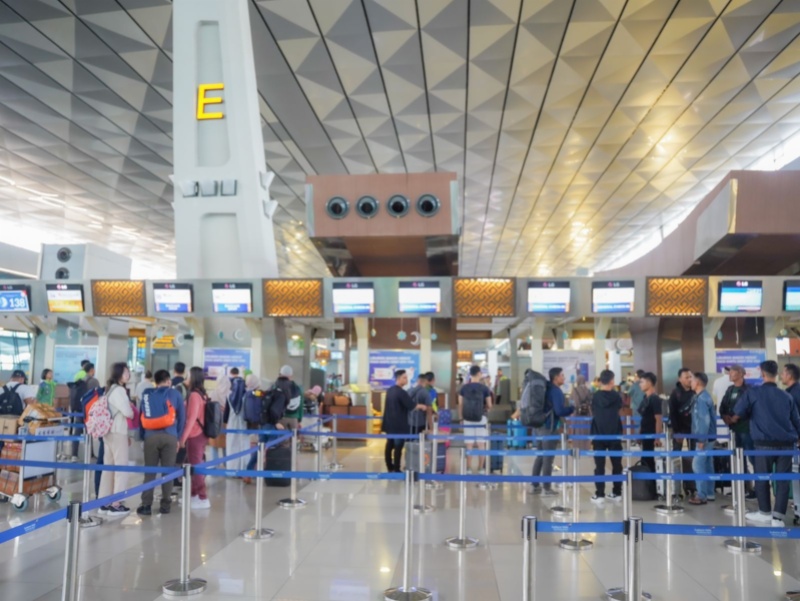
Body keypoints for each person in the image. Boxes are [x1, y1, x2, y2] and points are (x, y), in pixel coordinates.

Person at [733, 360, 800, 526]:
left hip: (763, 444)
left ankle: (764, 512)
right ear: (776, 374)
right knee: (783, 480)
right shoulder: (787, 396)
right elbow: (797, 421)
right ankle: (778, 518)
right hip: (786, 445)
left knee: (762, 477)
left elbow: (738, 412)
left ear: (762, 374)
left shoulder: (753, 393)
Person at [136, 370, 186, 516]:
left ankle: (146, 505)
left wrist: (143, 436)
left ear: (155, 382)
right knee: (168, 471)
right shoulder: (175, 394)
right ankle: (165, 505)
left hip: (151, 436)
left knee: (150, 472)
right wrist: (178, 437)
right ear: (169, 381)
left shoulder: (147, 394)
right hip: (170, 436)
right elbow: (182, 418)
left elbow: (141, 416)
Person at [97, 362, 133, 516]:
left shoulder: (109, 390)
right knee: (121, 467)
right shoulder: (119, 391)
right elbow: (128, 412)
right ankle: (117, 503)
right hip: (118, 432)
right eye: (125, 372)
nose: (128, 374)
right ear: (118, 374)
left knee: (109, 467)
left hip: (108, 432)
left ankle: (104, 501)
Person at [531, 368, 574, 496]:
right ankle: (547, 488)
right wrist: (571, 408)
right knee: (548, 459)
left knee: (540, 456)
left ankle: (535, 485)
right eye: (562, 375)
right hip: (549, 429)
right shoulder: (556, 391)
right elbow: (559, 411)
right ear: (556, 377)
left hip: (539, 426)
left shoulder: (547, 389)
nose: (564, 378)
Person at [719, 364, 755, 499]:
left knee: (753, 458)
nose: (729, 375)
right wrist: (726, 418)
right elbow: (722, 407)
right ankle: (743, 487)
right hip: (734, 430)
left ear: (740, 373)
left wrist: (737, 417)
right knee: (738, 460)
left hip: (747, 429)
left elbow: (751, 407)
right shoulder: (730, 390)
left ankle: (757, 488)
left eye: (732, 372)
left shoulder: (749, 390)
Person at [381, 370, 428, 473]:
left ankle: (389, 466)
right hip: (399, 424)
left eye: (406, 377)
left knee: (389, 444)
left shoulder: (390, 390)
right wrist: (423, 406)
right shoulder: (401, 392)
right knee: (398, 446)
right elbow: (412, 406)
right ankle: (396, 468)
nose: (406, 380)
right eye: (404, 378)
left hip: (389, 423)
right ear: (398, 378)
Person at [590, 370, 624, 504]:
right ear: (611, 381)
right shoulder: (616, 396)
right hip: (614, 433)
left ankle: (600, 494)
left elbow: (593, 410)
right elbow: (620, 408)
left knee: (599, 465)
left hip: (599, 433)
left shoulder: (596, 396)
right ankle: (617, 492)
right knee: (617, 464)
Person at [180, 366, 211, 509]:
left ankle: (203, 497)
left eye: (188, 376)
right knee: (193, 465)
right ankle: (193, 495)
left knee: (196, 467)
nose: (186, 379)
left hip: (195, 435)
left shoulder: (194, 396)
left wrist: (182, 439)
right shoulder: (202, 394)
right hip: (202, 434)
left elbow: (191, 420)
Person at [688, 372, 717, 505]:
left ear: (698, 382)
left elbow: (704, 420)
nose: (690, 382)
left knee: (697, 464)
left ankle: (701, 495)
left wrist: (701, 439)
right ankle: (709, 493)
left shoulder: (701, 399)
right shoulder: (704, 396)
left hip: (704, 438)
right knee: (707, 464)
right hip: (710, 437)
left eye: (692, 379)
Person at [668, 367, 696, 497]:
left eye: (691, 377)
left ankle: (692, 486)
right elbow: (672, 414)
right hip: (680, 430)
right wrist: (677, 432)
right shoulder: (675, 393)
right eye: (686, 377)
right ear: (680, 379)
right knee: (676, 459)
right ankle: (676, 489)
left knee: (693, 459)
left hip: (694, 431)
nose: (689, 379)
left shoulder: (695, 391)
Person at [459, 365, 493, 473]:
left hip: (467, 418)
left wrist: (461, 418)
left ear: (470, 374)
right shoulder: (484, 388)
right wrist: (486, 409)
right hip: (481, 418)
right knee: (481, 444)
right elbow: (490, 405)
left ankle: (468, 468)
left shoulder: (464, 388)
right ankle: (480, 468)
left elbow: (460, 404)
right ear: (479, 374)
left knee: (469, 444)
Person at [225, 367, 249, 471]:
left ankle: (232, 469)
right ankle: (244, 468)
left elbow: (226, 413)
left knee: (232, 445)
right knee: (243, 445)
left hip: (232, 424)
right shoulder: (247, 396)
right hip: (243, 424)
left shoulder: (229, 396)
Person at [638, 372, 663, 472]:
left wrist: (657, 437)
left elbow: (658, 419)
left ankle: (651, 484)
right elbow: (644, 417)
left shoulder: (655, 399)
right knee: (645, 459)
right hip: (645, 433)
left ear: (649, 383)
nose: (640, 384)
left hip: (651, 434)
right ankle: (647, 484)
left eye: (642, 382)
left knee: (648, 460)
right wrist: (640, 433)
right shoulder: (645, 398)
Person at [206, 376, 230, 463]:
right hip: (227, 422)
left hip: (215, 421)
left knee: (214, 444)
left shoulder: (213, 393)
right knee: (226, 444)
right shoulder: (230, 393)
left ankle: (214, 463)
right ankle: (226, 463)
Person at [277, 366, 303, 431]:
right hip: (294, 417)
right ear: (291, 375)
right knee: (293, 439)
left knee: (281, 439)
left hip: (281, 417)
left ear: (280, 374)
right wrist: (299, 419)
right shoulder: (297, 388)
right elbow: (301, 404)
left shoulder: (277, 386)